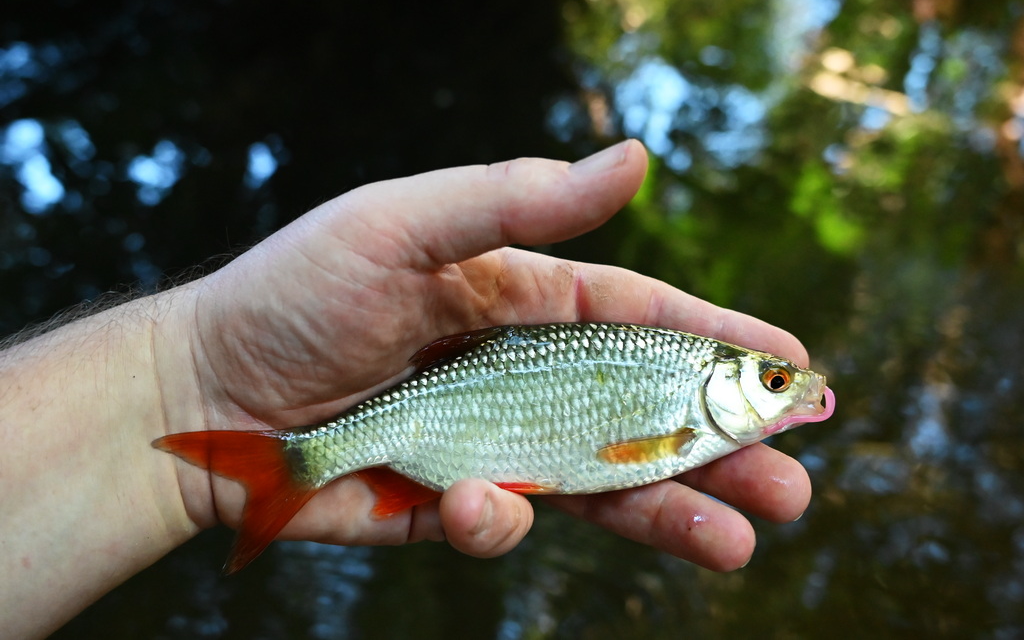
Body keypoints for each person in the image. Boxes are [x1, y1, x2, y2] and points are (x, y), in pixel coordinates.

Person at [0, 140, 814, 639]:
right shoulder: (683, 411)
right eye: (774, 380)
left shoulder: (685, 398)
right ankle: (291, 462)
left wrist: (178, 379)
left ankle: (280, 462)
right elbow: (631, 456)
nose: (784, 391)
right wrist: (185, 375)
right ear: (725, 380)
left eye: (778, 382)